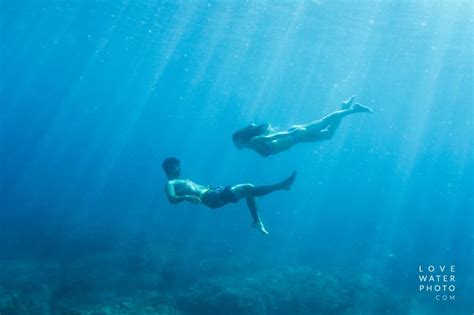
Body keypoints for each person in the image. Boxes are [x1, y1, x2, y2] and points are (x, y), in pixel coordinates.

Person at [162, 157, 296, 235]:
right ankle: (281, 186)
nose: (179, 168)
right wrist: (186, 197)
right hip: (210, 198)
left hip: (213, 194)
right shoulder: (170, 183)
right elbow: (172, 199)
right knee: (248, 188)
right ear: (171, 168)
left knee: (249, 190)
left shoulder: (181, 180)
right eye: (176, 166)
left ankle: (257, 221)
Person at [232, 95, 373, 157]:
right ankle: (345, 107)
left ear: (241, 139)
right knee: (328, 134)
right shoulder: (252, 146)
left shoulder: (254, 141)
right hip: (297, 139)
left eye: (236, 143)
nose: (236, 146)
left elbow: (275, 136)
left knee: (325, 122)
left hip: (297, 134)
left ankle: (352, 110)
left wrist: (291, 134)